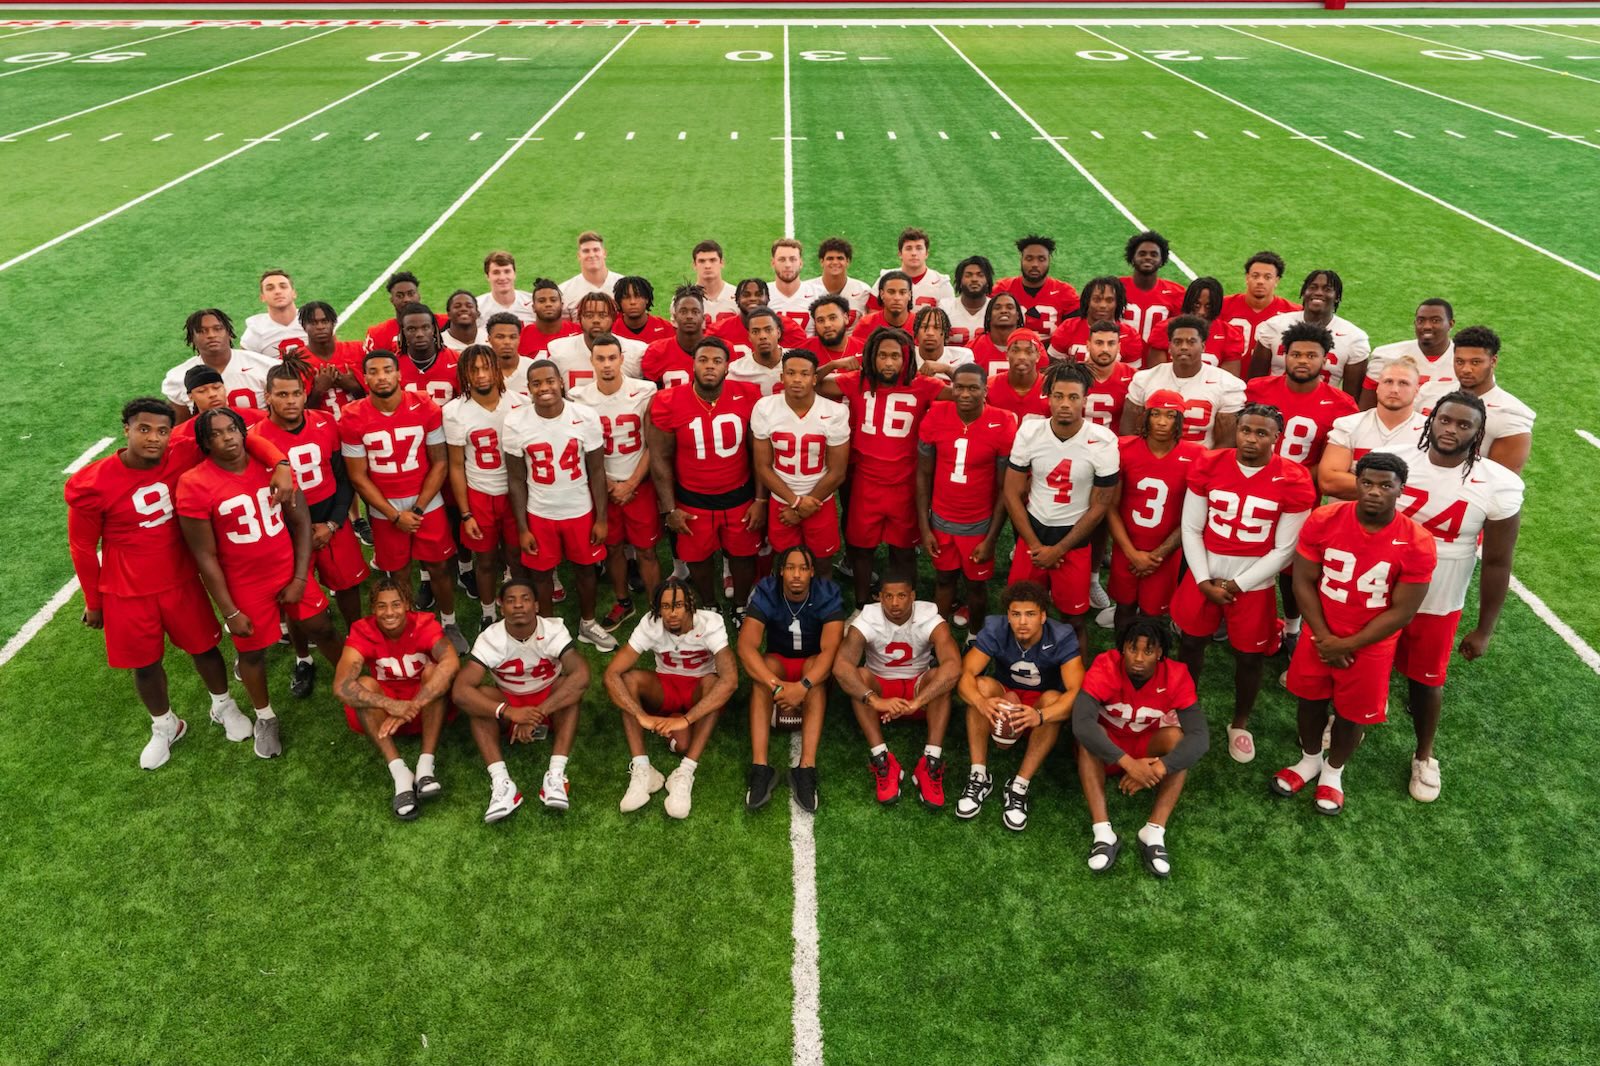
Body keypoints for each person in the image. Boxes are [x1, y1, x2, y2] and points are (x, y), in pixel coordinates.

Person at [66, 397, 290, 769]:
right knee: (145, 663)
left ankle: (222, 704)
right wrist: (94, 601)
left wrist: (280, 462)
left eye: (162, 431)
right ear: (126, 430)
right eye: (143, 429)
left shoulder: (184, 449)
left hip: (182, 577)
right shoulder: (92, 482)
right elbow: (82, 546)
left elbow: (245, 434)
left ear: (172, 432)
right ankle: (165, 724)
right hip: (127, 586)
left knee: (204, 647)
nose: (154, 438)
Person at [1273, 454, 1436, 815]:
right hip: (1322, 630)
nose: (1374, 492)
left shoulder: (1417, 541)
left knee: (1353, 714)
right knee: (1309, 699)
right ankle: (1310, 759)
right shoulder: (1324, 518)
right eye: (1367, 483)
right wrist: (1324, 636)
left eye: (1385, 485)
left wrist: (1345, 644)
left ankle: (1333, 772)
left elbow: (1403, 611)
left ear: (1400, 490)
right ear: (1356, 483)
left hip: (1369, 644)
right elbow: (1303, 581)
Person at [1380, 392, 1522, 802]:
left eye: (1464, 425)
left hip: (1440, 595)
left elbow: (1497, 561)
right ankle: (1347, 718)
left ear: (1479, 434)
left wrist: (1485, 629)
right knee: (1367, 659)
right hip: (1381, 582)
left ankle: (1424, 754)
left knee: (1426, 680)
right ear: (1431, 419)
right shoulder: (1397, 457)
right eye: (1445, 420)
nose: (1451, 430)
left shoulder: (1498, 483)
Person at [177, 408, 342, 758]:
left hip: (286, 567)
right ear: (205, 442)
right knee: (251, 652)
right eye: (218, 433)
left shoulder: (271, 468)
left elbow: (300, 522)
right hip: (243, 582)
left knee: (323, 627)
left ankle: (352, 682)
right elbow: (204, 556)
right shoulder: (194, 483)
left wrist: (300, 577)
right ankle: (265, 716)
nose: (229, 438)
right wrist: (229, 610)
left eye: (234, 429)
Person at [1172, 404, 1315, 763]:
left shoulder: (1294, 479)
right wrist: (1204, 579)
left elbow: (1285, 549)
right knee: (1190, 643)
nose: (1251, 439)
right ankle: (1180, 707)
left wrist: (1237, 584)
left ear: (1276, 437)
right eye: (1246, 430)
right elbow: (1191, 527)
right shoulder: (1210, 463)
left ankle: (1240, 722)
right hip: (1206, 566)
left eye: (1262, 433)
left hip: (1254, 580)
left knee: (1250, 656)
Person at [339, 350, 467, 651]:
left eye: (387, 370)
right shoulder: (353, 416)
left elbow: (440, 462)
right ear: (365, 377)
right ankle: (409, 627)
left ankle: (449, 623)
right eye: (373, 371)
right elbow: (358, 477)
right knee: (398, 573)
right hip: (385, 506)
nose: (381, 376)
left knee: (439, 567)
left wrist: (419, 507)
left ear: (399, 375)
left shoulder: (425, 406)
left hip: (427, 501)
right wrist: (394, 515)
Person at [253, 364, 368, 679]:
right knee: (296, 601)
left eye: (296, 393)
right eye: (281, 394)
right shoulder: (256, 439)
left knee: (348, 586)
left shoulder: (326, 423)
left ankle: (359, 640)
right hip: (288, 534)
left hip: (332, 521)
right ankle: (303, 658)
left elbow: (344, 479)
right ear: (268, 396)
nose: (290, 401)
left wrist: (332, 523)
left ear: (305, 395)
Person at [817, 326, 944, 607]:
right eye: (882, 355)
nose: (888, 363)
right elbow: (810, 382)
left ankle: (904, 605)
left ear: (906, 357)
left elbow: (965, 392)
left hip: (905, 483)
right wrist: (834, 364)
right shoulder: (856, 380)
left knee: (903, 550)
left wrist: (944, 366)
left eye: (895, 356)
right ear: (870, 357)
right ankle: (862, 606)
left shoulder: (923, 384)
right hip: (866, 482)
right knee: (862, 549)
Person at [1072, 619, 1208, 878]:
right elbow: (1081, 724)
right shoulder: (1105, 665)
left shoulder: (1176, 674)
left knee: (1179, 740)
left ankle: (1154, 831)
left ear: (1159, 653)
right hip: (1106, 748)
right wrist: (1129, 764)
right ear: (1123, 648)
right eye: (1133, 649)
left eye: (1148, 651)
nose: (1138, 658)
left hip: (1145, 746)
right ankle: (1103, 833)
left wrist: (1158, 767)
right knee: (1088, 737)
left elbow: (1200, 737)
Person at [1003, 362, 1121, 655]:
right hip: (1034, 531)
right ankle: (1018, 667)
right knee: (1020, 611)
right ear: (1049, 396)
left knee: (1074, 620)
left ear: (1085, 399)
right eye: (1058, 396)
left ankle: (1074, 683)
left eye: (1073, 397)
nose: (1065, 404)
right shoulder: (1030, 431)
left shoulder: (1103, 441)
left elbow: (1100, 505)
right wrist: (1034, 545)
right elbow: (1011, 491)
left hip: (1074, 538)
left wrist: (1059, 549)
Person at [452, 579, 592, 821]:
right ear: (500, 607)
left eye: (525, 599)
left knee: (569, 689)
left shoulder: (554, 629)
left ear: (537, 605)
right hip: (509, 701)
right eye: (511, 600)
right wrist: (510, 713)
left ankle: (556, 776)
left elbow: (581, 674)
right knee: (479, 700)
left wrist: (535, 714)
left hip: (550, 699)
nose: (518, 605)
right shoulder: (490, 638)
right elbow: (461, 691)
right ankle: (502, 784)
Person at [501, 360, 617, 652]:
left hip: (579, 509)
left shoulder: (585, 416)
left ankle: (587, 624)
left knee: (586, 570)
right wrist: (523, 527)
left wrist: (601, 518)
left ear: (561, 382)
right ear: (528, 389)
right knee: (540, 574)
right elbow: (515, 480)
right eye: (537, 383)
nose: (545, 388)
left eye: (549, 381)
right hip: (540, 512)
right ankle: (548, 631)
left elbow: (597, 471)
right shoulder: (516, 422)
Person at [647, 337, 765, 617]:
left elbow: (760, 453)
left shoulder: (748, 394)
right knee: (697, 558)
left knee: (743, 556)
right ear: (693, 365)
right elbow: (660, 459)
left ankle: (740, 605)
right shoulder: (668, 401)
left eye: (717, 361)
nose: (709, 366)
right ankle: (709, 604)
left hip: (739, 493)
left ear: (727, 367)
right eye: (703, 360)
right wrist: (669, 508)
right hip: (692, 498)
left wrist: (760, 499)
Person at [954, 580, 1085, 831]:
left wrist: (1041, 715)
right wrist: (981, 703)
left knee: (1053, 700)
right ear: (1008, 616)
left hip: (1038, 703)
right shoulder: (996, 628)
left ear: (1043, 616)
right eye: (1016, 614)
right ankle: (979, 775)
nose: (1022, 622)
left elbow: (1077, 692)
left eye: (1030, 614)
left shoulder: (1062, 636)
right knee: (979, 687)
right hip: (1006, 696)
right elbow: (966, 674)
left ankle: (1019, 786)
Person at [604, 577, 738, 818]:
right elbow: (612, 673)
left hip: (699, 692)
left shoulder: (710, 623)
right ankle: (643, 769)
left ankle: (685, 772)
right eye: (666, 607)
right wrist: (640, 715)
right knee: (627, 680)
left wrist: (685, 720)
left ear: (691, 605)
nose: (672, 613)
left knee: (714, 684)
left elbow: (730, 680)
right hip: (665, 688)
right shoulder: (650, 623)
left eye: (678, 606)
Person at [832, 571, 962, 808]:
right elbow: (841, 667)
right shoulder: (867, 619)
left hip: (918, 690)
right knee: (859, 675)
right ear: (879, 598)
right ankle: (882, 758)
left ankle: (931, 761)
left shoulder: (929, 617)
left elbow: (953, 666)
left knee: (940, 678)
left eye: (902, 595)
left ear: (912, 596)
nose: (895, 603)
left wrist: (918, 700)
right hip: (881, 690)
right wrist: (874, 700)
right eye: (889, 596)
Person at [332, 577, 459, 820]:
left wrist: (413, 705)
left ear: (408, 605)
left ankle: (425, 767)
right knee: (364, 685)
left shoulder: (424, 624)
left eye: (396, 604)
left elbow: (451, 663)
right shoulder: (362, 630)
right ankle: (400, 773)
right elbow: (341, 686)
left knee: (435, 673)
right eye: (381, 606)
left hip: (424, 706)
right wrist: (392, 705)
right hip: (386, 711)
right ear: (373, 609)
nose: (389, 612)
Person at [739, 545, 846, 814]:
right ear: (781, 572)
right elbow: (746, 646)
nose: (796, 575)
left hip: (812, 669)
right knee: (764, 666)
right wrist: (775, 685)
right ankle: (760, 766)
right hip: (779, 666)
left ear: (812, 572)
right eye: (790, 568)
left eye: (802, 568)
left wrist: (804, 686)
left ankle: (806, 767)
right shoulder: (767, 590)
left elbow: (831, 651)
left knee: (816, 668)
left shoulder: (827, 593)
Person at [916, 364, 1018, 633]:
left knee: (976, 586)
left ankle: (975, 634)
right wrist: (925, 528)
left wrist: (991, 538)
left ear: (985, 390)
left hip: (978, 523)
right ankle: (940, 636)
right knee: (944, 579)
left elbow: (1004, 490)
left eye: (973, 388)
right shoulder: (936, 415)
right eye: (959, 387)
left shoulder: (1003, 422)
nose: (965, 394)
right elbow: (923, 475)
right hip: (941, 519)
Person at [572, 334, 661, 627]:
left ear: (622, 359)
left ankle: (655, 606)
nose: (607, 364)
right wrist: (609, 484)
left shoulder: (645, 390)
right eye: (601, 358)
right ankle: (624, 602)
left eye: (612, 358)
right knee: (612, 548)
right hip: (602, 487)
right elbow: (581, 448)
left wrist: (631, 483)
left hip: (639, 484)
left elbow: (653, 444)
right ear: (592, 361)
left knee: (646, 550)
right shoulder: (579, 397)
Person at [1104, 390, 1200, 632]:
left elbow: (1192, 516)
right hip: (1127, 544)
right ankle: (1120, 656)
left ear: (1179, 420)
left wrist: (1158, 554)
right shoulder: (1124, 448)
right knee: (1124, 607)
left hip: (1166, 553)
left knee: (1154, 615)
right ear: (1145, 416)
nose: (1161, 421)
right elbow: (1110, 507)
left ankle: (1151, 663)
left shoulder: (1196, 456)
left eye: (1170, 415)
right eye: (1155, 414)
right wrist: (1131, 552)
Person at [443, 346, 524, 628]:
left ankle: (519, 607)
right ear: (463, 373)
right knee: (486, 559)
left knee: (517, 556)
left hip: (515, 494)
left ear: (497, 368)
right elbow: (456, 465)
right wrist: (465, 513)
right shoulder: (454, 412)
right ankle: (488, 611)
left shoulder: (519, 403)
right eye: (473, 369)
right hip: (480, 493)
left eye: (486, 367)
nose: (480, 375)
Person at [752, 349, 852, 575]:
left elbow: (838, 472)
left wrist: (801, 508)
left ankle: (821, 606)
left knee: (823, 562)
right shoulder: (765, 408)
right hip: (782, 498)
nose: (797, 379)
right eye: (791, 373)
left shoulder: (835, 412)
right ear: (782, 377)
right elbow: (763, 466)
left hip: (820, 499)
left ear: (815, 378)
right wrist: (795, 502)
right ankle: (786, 606)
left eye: (804, 374)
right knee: (786, 561)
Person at [1414, 325, 1534, 474]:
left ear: (1493, 361)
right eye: (1459, 361)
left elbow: (1502, 479)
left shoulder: (1511, 414)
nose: (1466, 369)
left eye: (1475, 362)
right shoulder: (1429, 391)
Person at [1122, 314, 1245, 447]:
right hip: (1153, 460)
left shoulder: (1227, 384)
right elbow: (1128, 430)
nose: (1184, 347)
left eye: (1191, 342)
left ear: (1203, 346)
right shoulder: (1145, 379)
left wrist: (1205, 465)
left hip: (1201, 462)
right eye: (1178, 342)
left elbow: (1227, 441)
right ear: (1169, 347)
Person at [1251, 268, 1370, 398]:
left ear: (1337, 297)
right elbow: (1255, 382)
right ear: (1304, 292)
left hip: (1324, 407)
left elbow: (1352, 398)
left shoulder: (1354, 338)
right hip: (1275, 403)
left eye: (1327, 289)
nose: (1318, 292)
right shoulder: (1274, 326)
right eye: (1313, 287)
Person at [1320, 356, 1428, 499]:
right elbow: (1329, 482)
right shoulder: (1349, 424)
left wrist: (1362, 483)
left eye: (1404, 383)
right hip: (1349, 518)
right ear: (1378, 386)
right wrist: (1397, 488)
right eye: (1388, 382)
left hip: (1402, 520)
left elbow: (1433, 486)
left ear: (1416, 390)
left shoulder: (1430, 432)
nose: (1395, 389)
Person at [163, 308, 276, 415]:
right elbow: (181, 427)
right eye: (202, 331)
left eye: (218, 329)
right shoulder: (178, 377)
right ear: (192, 338)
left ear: (229, 333)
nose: (211, 335)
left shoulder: (266, 367)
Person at [1360, 298, 1455, 408]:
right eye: (1421, 320)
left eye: (1435, 320)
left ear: (1450, 324)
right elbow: (1366, 408)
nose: (1427, 326)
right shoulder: (1386, 356)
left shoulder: (1464, 360)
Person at [1145, 276, 1247, 377]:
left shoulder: (1230, 335)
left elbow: (1228, 382)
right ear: (1188, 302)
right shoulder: (1165, 329)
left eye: (1208, 306)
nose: (1201, 312)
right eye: (1196, 305)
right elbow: (1156, 377)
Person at [281, 301, 365, 420]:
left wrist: (355, 387)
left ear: (333, 324)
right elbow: (294, 412)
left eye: (325, 321)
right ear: (304, 326)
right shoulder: (295, 361)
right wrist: (318, 390)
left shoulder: (359, 350)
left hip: (359, 425)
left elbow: (380, 399)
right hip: (319, 430)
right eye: (314, 323)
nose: (320, 327)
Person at [548, 291, 647, 389]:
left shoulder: (635, 352)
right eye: (589, 315)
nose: (596, 320)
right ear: (579, 318)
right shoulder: (559, 350)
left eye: (602, 315)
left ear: (613, 318)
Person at [1047, 275, 1145, 365]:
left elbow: (1130, 376)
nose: (1103, 305)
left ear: (1118, 303)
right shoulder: (1068, 328)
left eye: (1109, 300)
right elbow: (1054, 369)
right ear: (1087, 301)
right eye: (1097, 299)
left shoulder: (1130, 335)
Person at [993, 235, 1079, 338]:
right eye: (1029, 259)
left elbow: (1076, 331)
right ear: (1021, 260)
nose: (1035, 264)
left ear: (1049, 261)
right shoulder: (1002, 289)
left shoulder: (1065, 292)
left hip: (1051, 352)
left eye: (1041, 259)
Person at [1218, 250, 1299, 354]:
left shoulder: (1293, 313)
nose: (1260, 281)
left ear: (1276, 281)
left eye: (1267, 277)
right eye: (1255, 276)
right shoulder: (1222, 305)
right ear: (1247, 278)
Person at [1119, 230, 1186, 342]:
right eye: (1142, 253)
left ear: (1161, 260)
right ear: (1132, 258)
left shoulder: (1177, 292)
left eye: (1154, 254)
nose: (1148, 257)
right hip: (1122, 356)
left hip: (1157, 356)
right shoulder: (1115, 287)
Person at [395, 301, 461, 407]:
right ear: (403, 332)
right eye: (412, 329)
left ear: (433, 329)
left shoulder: (457, 361)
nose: (419, 334)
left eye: (425, 327)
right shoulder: (393, 366)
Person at [363, 272, 447, 354]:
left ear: (419, 295)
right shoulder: (378, 334)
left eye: (411, 294)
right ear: (392, 300)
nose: (406, 299)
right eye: (400, 296)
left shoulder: (445, 322)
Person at [983, 327, 1050, 424]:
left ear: (1038, 356)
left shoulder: (1052, 387)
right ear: (1007, 355)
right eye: (1015, 351)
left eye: (1029, 351)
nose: (1022, 357)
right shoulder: (988, 386)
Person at [1082, 319, 1137, 432]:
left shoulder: (1133, 377)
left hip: (1115, 445)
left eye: (1111, 343)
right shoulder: (1071, 375)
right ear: (1088, 345)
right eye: (1099, 343)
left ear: (1119, 347)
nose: (1105, 349)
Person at [805, 236, 872, 327]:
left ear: (847, 261)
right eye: (830, 258)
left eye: (840, 258)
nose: (835, 262)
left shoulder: (863, 290)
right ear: (821, 262)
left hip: (851, 340)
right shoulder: (807, 289)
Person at [240, 268, 306, 354]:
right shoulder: (255, 331)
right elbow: (245, 364)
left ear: (294, 293)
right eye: (270, 288)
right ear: (262, 297)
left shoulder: (313, 320)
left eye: (283, 286)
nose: (277, 291)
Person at [559, 230, 625, 315]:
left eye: (596, 250)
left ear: (604, 253)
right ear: (579, 256)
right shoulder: (563, 291)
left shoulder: (625, 285)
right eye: (586, 251)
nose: (591, 255)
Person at [725, 305, 788, 393]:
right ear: (749, 336)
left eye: (768, 330)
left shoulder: (797, 362)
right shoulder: (736, 371)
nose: (762, 336)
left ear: (778, 332)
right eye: (755, 332)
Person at [768, 237, 819, 338]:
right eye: (782, 259)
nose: (788, 265)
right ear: (773, 263)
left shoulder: (818, 294)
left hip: (806, 353)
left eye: (793, 259)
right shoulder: (762, 293)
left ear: (801, 263)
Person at [516, 277, 580, 358]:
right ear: (533, 307)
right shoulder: (521, 338)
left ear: (562, 305)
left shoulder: (578, 333)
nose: (548, 304)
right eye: (542, 301)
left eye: (553, 300)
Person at [940, 253, 993, 347]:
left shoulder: (996, 308)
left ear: (988, 281)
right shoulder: (945, 308)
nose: (974, 279)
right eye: (968, 275)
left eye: (980, 275)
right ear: (959, 281)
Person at [797, 293, 863, 367]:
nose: (827, 325)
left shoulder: (865, 349)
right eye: (820, 320)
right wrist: (831, 366)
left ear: (846, 318)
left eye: (832, 318)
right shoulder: (802, 351)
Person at [850, 271, 915, 346]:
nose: (897, 298)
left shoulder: (920, 325)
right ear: (881, 294)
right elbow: (856, 353)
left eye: (902, 292)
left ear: (909, 295)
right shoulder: (866, 324)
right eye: (891, 292)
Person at [967, 291, 1021, 380]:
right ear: (989, 315)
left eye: (1009, 307)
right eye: (997, 308)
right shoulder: (971, 349)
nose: (1004, 311)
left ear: (1018, 315)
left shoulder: (1033, 346)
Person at [483, 312, 535, 399]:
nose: (507, 342)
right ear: (489, 339)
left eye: (512, 337)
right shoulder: (480, 372)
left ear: (519, 338)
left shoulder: (533, 369)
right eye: (500, 337)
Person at [477, 249, 535, 325]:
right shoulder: (477, 307)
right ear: (487, 276)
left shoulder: (532, 303)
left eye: (507, 271)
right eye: (496, 272)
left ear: (514, 274)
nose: (502, 277)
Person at [611, 274, 672, 345]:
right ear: (619, 301)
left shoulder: (666, 328)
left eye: (638, 296)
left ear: (647, 299)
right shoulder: (612, 329)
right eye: (626, 297)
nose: (632, 302)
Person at [690, 239, 740, 324]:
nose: (707, 266)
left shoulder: (738, 296)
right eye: (702, 261)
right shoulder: (683, 299)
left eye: (712, 260)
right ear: (694, 265)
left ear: (722, 263)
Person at [439, 289, 486, 354]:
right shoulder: (439, 344)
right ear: (449, 314)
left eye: (469, 306)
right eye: (457, 306)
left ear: (477, 313)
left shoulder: (488, 339)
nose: (463, 309)